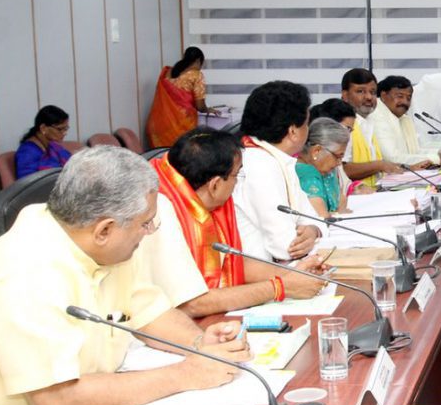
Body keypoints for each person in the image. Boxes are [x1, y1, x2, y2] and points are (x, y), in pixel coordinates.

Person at [0, 146, 250, 405]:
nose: (149, 233)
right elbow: (56, 402)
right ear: (104, 230)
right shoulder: (23, 273)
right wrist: (186, 374)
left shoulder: (101, 245)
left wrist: (198, 343)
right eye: (146, 224)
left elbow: (149, 312)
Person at [145, 128, 326, 317]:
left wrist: (295, 275)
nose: (238, 183)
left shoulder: (204, 199)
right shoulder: (160, 214)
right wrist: (281, 287)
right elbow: (191, 303)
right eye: (237, 175)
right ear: (215, 184)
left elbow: (233, 263)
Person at [232, 80, 323, 263]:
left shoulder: (277, 158)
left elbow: (313, 218)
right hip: (260, 273)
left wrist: (314, 230)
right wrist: (310, 234)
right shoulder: (258, 165)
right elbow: (286, 247)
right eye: (306, 123)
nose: (308, 129)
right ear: (293, 131)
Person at [146, 46, 217, 148]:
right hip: (180, 126)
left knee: (161, 155)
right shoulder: (196, 75)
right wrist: (208, 110)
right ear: (198, 61)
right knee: (180, 154)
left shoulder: (168, 72)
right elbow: (200, 106)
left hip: (157, 124)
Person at [341, 68, 402, 186]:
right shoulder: (342, 124)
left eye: (373, 92)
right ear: (345, 95)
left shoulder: (368, 122)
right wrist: (379, 165)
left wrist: (410, 168)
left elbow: (376, 164)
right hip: (352, 195)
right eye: (360, 91)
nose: (369, 97)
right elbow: (342, 170)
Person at [374, 75, 441, 168]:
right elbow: (392, 158)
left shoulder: (403, 118)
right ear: (384, 96)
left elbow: (413, 152)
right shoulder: (377, 116)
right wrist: (438, 159)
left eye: (408, 98)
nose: (405, 102)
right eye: (400, 96)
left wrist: (440, 153)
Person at [296, 118, 354, 218]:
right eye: (338, 156)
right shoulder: (306, 174)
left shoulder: (327, 171)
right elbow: (321, 218)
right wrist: (338, 213)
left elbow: (341, 201)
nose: (339, 163)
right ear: (316, 151)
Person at [15, 105, 73, 179]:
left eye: (66, 128)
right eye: (60, 129)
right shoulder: (27, 152)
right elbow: (28, 182)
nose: (65, 133)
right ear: (43, 128)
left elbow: (72, 162)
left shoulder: (53, 146)